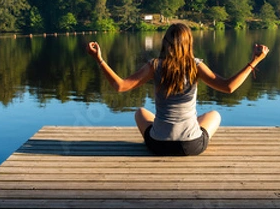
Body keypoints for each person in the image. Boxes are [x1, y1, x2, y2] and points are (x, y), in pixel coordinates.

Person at [87, 23, 269, 155]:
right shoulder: (195, 66)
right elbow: (229, 87)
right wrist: (255, 61)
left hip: (158, 145)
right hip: (191, 146)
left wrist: (99, 60)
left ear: (165, 43)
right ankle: (188, 127)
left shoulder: (155, 65)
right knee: (214, 115)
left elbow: (120, 86)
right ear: (189, 43)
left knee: (140, 112)